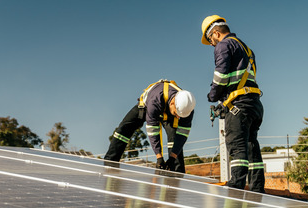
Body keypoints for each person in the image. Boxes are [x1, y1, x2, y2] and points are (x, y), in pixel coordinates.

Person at [201, 15, 265, 192]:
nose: (211, 44)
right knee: (252, 146)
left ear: (215, 33)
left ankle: (235, 188)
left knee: (237, 147)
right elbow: (239, 78)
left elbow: (221, 77)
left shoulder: (223, 45)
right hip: (254, 104)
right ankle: (258, 189)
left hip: (239, 106)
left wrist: (212, 95)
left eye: (210, 39)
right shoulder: (247, 49)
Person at [104, 80, 195, 173]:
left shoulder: (188, 107)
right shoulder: (154, 100)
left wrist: (173, 157)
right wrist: (159, 157)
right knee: (124, 129)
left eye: (180, 116)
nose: (178, 117)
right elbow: (153, 131)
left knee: (174, 138)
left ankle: (177, 172)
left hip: (168, 112)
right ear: (172, 103)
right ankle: (110, 162)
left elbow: (183, 134)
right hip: (147, 107)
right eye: (176, 113)